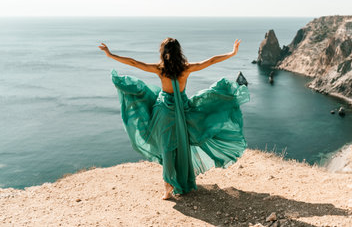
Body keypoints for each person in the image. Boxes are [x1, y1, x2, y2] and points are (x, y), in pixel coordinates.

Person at [98, 38, 249, 199]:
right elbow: (211, 60)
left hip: (164, 112)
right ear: (179, 52)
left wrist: (110, 54)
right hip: (182, 110)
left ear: (163, 52)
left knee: (167, 148)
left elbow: (134, 63)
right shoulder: (186, 68)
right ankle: (181, 181)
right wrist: (232, 52)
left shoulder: (160, 69)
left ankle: (168, 187)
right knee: (182, 145)